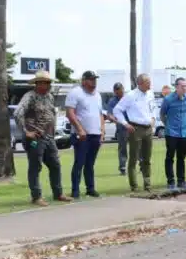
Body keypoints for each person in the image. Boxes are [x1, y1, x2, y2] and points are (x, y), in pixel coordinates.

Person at [13, 70, 72, 206]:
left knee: (55, 165)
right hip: (35, 138)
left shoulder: (50, 97)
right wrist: (26, 131)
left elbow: (52, 114)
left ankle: (58, 193)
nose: (48, 85)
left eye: (49, 82)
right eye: (46, 82)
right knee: (35, 166)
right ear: (38, 83)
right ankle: (36, 196)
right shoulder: (30, 96)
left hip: (49, 136)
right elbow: (18, 113)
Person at [112, 73, 156, 191]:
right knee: (134, 158)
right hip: (136, 128)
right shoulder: (131, 95)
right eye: (147, 83)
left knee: (147, 158)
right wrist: (125, 124)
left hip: (148, 128)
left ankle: (147, 184)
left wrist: (153, 118)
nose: (150, 85)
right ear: (140, 83)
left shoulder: (150, 94)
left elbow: (153, 108)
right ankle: (134, 185)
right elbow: (117, 110)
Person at [65, 70, 105, 199]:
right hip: (81, 134)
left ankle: (90, 188)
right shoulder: (76, 93)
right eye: (91, 79)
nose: (94, 82)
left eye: (95, 79)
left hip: (95, 133)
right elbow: (70, 113)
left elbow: (100, 114)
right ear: (84, 81)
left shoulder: (97, 95)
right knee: (79, 162)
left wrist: (102, 131)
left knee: (90, 163)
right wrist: (79, 129)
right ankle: (75, 190)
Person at [160, 77, 186, 192]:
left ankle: (181, 181)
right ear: (177, 87)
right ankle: (170, 182)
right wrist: (167, 126)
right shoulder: (168, 99)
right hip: (171, 133)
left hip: (183, 133)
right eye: (182, 86)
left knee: (181, 158)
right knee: (170, 157)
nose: (185, 88)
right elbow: (162, 114)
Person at [106, 82, 127, 175]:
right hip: (121, 127)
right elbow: (109, 114)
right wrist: (113, 119)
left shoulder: (128, 98)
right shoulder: (112, 101)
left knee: (137, 147)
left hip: (133, 125)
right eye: (117, 92)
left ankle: (142, 165)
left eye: (120, 91)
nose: (119, 93)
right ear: (114, 92)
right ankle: (122, 167)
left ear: (123, 89)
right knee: (122, 148)